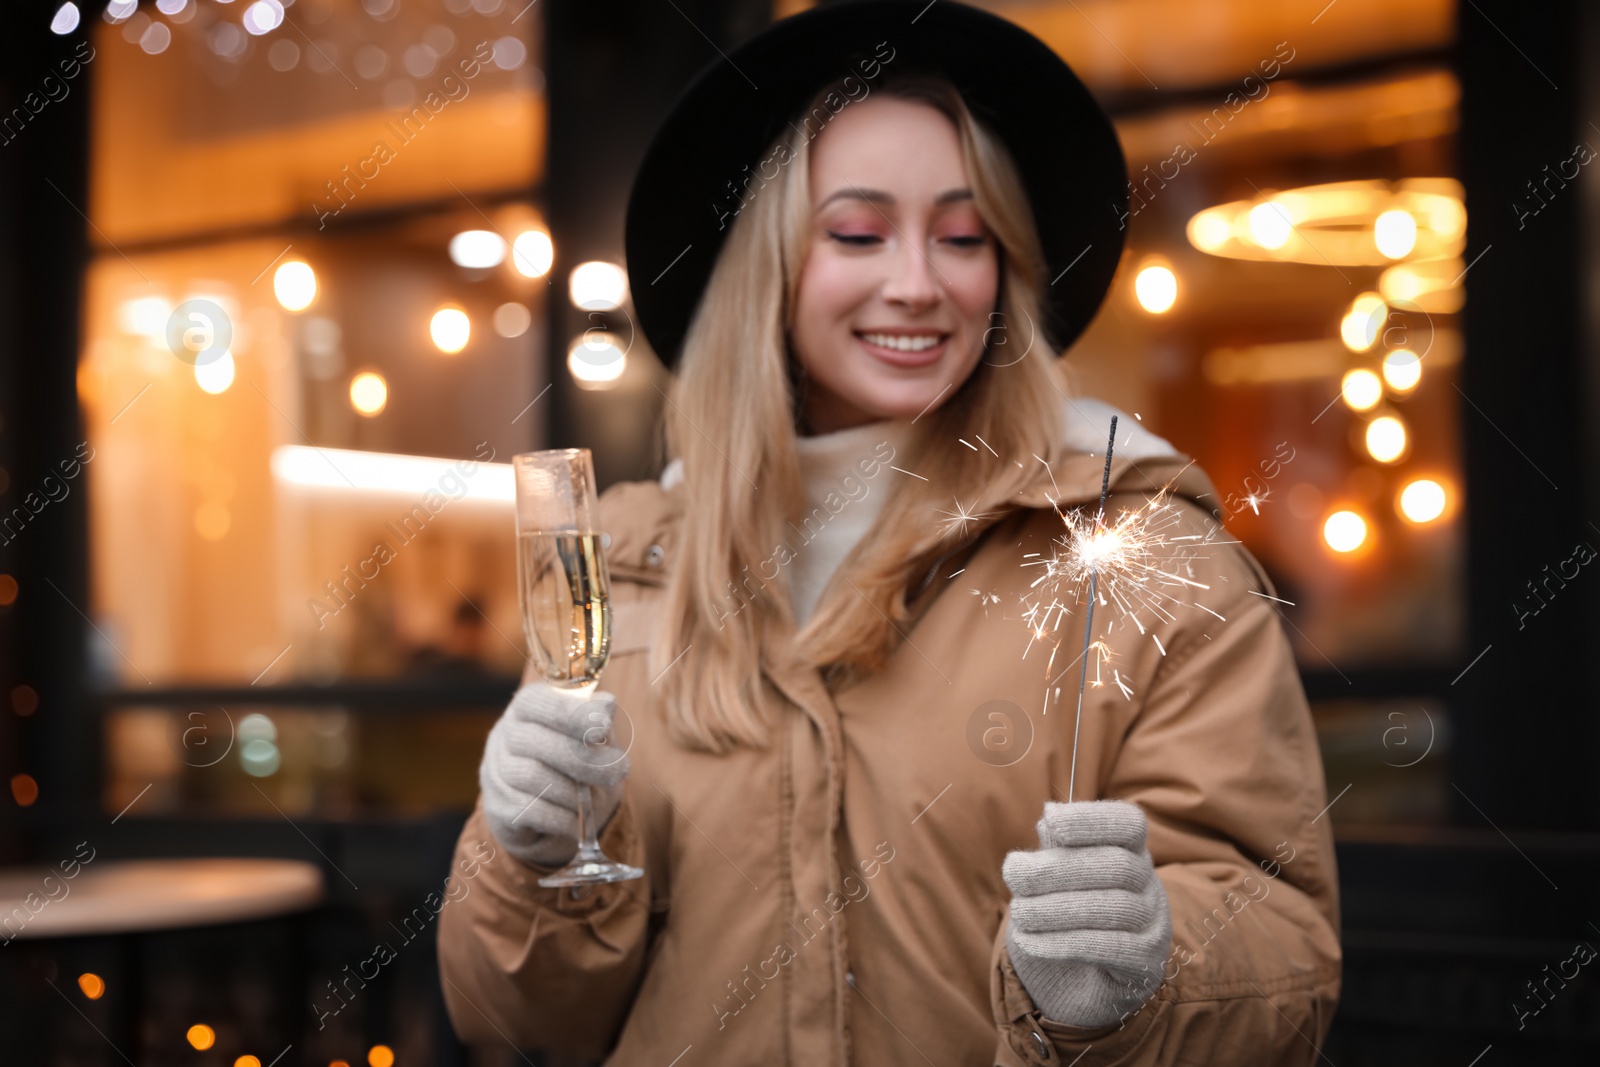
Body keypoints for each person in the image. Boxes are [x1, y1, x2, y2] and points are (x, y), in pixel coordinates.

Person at [438, 3, 1340, 1064]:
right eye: (858, 233)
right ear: (764, 269)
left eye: (962, 236)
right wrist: (529, 858)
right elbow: (516, 1025)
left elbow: (1286, 957)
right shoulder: (631, 568)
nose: (917, 282)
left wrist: (1144, 976)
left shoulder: (1146, 564)